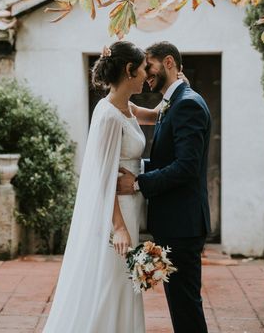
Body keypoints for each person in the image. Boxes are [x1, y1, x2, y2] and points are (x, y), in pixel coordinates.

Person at [43, 40, 150, 333]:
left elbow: (149, 115)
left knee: (123, 280)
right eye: (142, 69)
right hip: (117, 211)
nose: (146, 75)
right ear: (129, 70)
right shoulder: (108, 117)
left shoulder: (124, 107)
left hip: (130, 206)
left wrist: (176, 99)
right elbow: (104, 179)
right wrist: (118, 227)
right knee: (111, 280)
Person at [117, 41, 212, 333]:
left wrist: (138, 183)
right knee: (183, 307)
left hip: (182, 224)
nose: (146, 73)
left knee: (186, 310)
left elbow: (186, 167)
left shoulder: (187, 104)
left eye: (150, 65)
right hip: (177, 222)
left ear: (168, 62)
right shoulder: (175, 101)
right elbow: (169, 157)